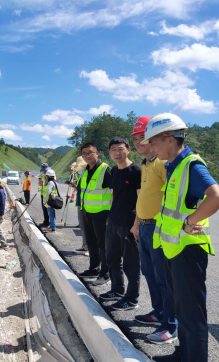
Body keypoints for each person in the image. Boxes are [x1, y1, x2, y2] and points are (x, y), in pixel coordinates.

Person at [142, 113, 219, 362]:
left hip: (188, 252)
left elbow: (218, 197)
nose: (150, 147)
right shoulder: (173, 165)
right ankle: (183, 354)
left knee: (192, 314)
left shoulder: (191, 164)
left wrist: (189, 222)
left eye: (153, 142)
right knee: (181, 308)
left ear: (169, 139)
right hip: (173, 250)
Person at [131, 116, 178, 344]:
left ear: (153, 140)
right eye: (136, 140)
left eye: (142, 138)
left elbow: (172, 195)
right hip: (145, 227)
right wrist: (137, 223)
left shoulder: (161, 163)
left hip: (158, 228)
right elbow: (144, 197)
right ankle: (158, 312)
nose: (138, 144)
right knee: (149, 273)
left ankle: (170, 324)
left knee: (164, 278)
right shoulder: (146, 164)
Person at [100, 137, 141, 308]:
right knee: (112, 259)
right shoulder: (113, 172)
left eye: (121, 149)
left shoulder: (136, 171)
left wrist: (137, 224)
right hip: (113, 222)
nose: (117, 153)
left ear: (128, 149)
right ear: (109, 152)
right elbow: (113, 195)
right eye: (113, 149)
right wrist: (110, 218)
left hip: (129, 224)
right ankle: (117, 290)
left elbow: (142, 199)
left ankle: (132, 299)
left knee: (131, 264)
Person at [73, 143, 112, 284]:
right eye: (84, 153)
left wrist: (111, 214)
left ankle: (105, 273)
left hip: (102, 213)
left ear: (97, 153)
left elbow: (115, 192)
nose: (87, 155)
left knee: (103, 244)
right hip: (87, 212)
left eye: (90, 152)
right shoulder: (85, 170)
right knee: (91, 242)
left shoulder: (105, 170)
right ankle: (94, 268)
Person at [72, 157, 89, 256]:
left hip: (85, 205)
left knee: (86, 227)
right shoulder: (81, 177)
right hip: (81, 203)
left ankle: (87, 247)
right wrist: (74, 186)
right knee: (83, 226)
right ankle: (85, 246)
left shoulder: (86, 176)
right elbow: (80, 190)